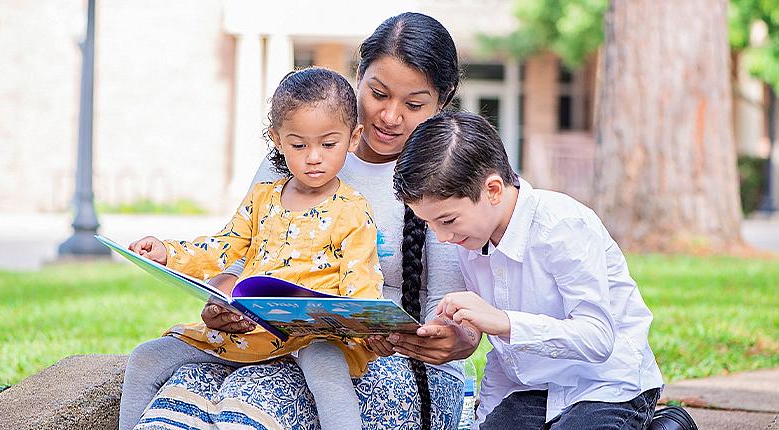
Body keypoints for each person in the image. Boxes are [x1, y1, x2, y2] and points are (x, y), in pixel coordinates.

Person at [123, 12, 480, 430]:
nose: (389, 116)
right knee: (183, 388)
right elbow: (238, 257)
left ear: (443, 101)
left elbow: (453, 314)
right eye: (378, 93)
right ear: (358, 76)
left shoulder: (446, 177)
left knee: (258, 394)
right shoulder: (291, 153)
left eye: (414, 104)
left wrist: (454, 340)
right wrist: (222, 302)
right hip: (265, 339)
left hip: (388, 363)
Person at [123, 67, 382, 430]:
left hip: (311, 336)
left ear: (353, 138)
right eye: (298, 144)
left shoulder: (352, 209)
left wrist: (367, 328)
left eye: (328, 144)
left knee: (327, 363)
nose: (313, 157)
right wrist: (167, 253)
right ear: (277, 139)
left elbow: (361, 280)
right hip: (250, 332)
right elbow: (223, 247)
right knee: (145, 357)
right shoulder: (263, 197)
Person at [392, 111, 665, 429]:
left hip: (605, 385)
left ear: (493, 190)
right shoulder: (471, 240)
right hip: (532, 392)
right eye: (430, 224)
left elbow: (598, 338)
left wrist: (505, 322)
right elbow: (501, 356)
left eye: (448, 220)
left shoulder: (562, 225)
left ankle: (669, 423)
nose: (441, 236)